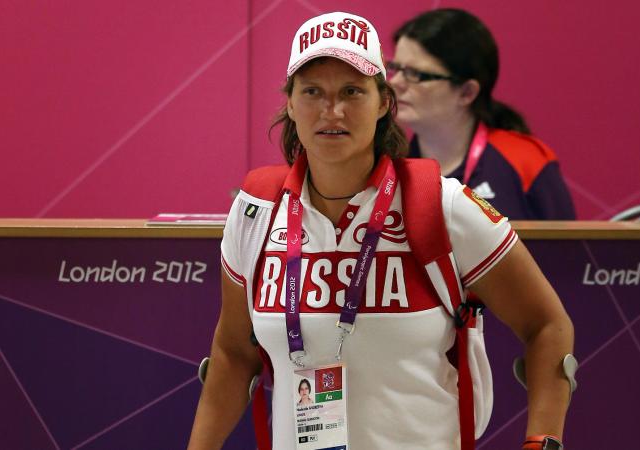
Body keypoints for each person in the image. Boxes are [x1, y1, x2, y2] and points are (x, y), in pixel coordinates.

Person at [188, 11, 574, 450]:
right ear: (290, 104)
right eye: (313, 91)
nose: (332, 110)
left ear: (384, 103)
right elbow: (234, 355)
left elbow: (547, 325)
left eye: (352, 91)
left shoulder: (442, 205)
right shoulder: (255, 210)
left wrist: (542, 441)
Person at [389, 8, 576, 220]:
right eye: (396, 68)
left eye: (415, 74)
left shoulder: (525, 161)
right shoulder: (387, 167)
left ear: (467, 92)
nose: (395, 83)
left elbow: (569, 252)